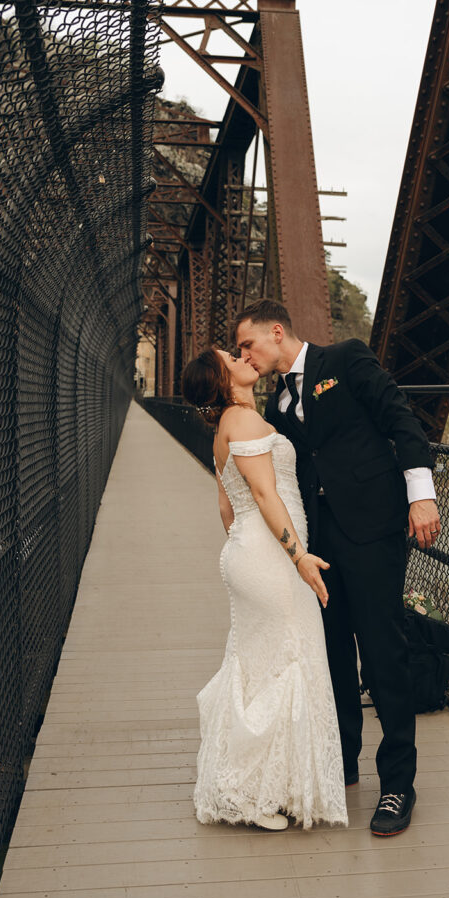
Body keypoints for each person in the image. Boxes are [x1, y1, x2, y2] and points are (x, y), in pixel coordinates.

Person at [234, 299, 441, 836]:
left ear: (276, 332)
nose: (245, 355)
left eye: (247, 344)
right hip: (321, 545)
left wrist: (422, 494)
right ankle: (343, 764)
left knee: (383, 653)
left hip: (373, 530)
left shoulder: (345, 360)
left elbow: (400, 419)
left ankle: (397, 783)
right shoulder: (277, 404)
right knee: (332, 658)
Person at [181, 347, 348, 831]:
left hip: (251, 551)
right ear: (221, 377)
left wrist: (243, 550)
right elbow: (262, 493)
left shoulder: (225, 429)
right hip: (274, 557)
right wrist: (298, 558)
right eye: (231, 356)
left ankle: (262, 787)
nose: (243, 357)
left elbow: (227, 508)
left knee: (260, 662)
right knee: (290, 658)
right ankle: (255, 793)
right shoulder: (246, 422)